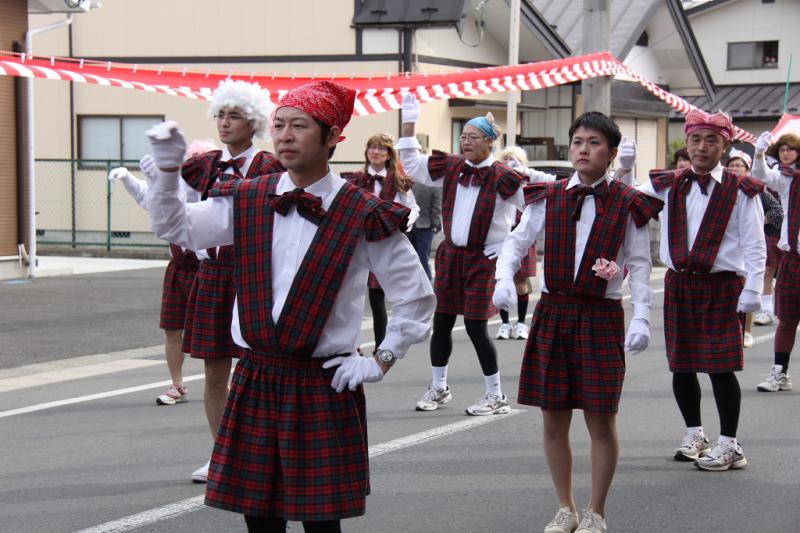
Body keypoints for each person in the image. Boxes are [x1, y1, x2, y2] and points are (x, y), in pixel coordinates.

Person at [144, 80, 435, 533]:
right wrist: (165, 172)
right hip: (257, 374)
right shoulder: (249, 196)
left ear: (333, 136)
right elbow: (178, 228)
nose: (284, 135)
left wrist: (382, 359)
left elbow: (415, 296)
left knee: (322, 525)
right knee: (259, 521)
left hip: (323, 381)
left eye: (299, 126)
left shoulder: (361, 210)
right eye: (279, 125)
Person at [494, 112, 661, 533]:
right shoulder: (548, 195)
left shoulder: (627, 202)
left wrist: (641, 316)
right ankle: (565, 507)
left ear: (611, 153)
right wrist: (502, 281)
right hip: (553, 312)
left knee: (601, 418)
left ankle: (596, 511)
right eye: (577, 142)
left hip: (601, 316)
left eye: (594, 143)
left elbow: (640, 265)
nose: (583, 150)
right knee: (553, 416)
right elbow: (516, 242)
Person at [641, 109, 765, 472]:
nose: (701, 146)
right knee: (681, 366)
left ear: (725, 145)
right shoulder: (667, 183)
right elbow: (626, 201)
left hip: (723, 284)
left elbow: (756, 244)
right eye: (695, 139)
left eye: (711, 139)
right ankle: (694, 434)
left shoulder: (742, 189)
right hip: (679, 283)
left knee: (720, 368)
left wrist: (754, 288)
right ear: (686, 142)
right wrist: (619, 169)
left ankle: (730, 444)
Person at [181, 80, 285, 483]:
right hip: (210, 276)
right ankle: (221, 454)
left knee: (260, 371)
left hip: (253, 277)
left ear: (254, 122)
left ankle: (263, 452)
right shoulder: (204, 163)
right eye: (221, 115)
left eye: (235, 115)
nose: (225, 123)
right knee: (214, 374)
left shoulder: (270, 167)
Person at [397, 94, 526, 415]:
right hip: (451, 256)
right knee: (441, 322)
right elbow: (411, 164)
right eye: (463, 137)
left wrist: (509, 242)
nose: (465, 142)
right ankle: (439, 387)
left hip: (483, 259)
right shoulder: (452, 165)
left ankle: (495, 395)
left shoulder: (504, 175)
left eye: (473, 138)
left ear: (489, 143)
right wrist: (409, 122)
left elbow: (537, 209)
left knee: (474, 325)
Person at [108, 140, 216, 405]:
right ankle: (176, 385)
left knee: (215, 332)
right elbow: (151, 199)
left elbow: (189, 207)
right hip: (179, 267)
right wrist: (128, 178)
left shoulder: (213, 189)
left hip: (209, 268)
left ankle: (220, 385)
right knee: (171, 327)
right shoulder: (177, 184)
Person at [342, 133, 420, 346]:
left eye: (381, 149)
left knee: (377, 299)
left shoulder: (398, 181)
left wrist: (405, 222)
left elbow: (413, 208)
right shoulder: (354, 180)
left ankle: (381, 347)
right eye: (371, 147)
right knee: (350, 297)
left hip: (384, 244)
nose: (375, 152)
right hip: (357, 244)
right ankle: (350, 345)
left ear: (388, 155)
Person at [752, 131, 800, 392]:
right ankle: (780, 373)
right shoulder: (786, 179)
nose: (786, 153)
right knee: (787, 318)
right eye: (782, 149)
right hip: (792, 257)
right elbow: (761, 177)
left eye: (791, 149)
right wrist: (759, 154)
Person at [726, 149, 782, 349]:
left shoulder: (755, 188)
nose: (734, 169)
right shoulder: (719, 186)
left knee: (747, 286)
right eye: (731, 165)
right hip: (726, 246)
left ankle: (746, 332)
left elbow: (777, 211)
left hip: (749, 243)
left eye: (738, 165)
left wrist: (758, 222)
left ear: (748, 169)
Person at [407, 181, 442, 280]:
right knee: (423, 258)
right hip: (425, 226)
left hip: (410, 223)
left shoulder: (412, 183)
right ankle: (426, 284)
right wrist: (436, 225)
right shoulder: (436, 186)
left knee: (412, 258)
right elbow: (436, 208)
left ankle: (415, 283)